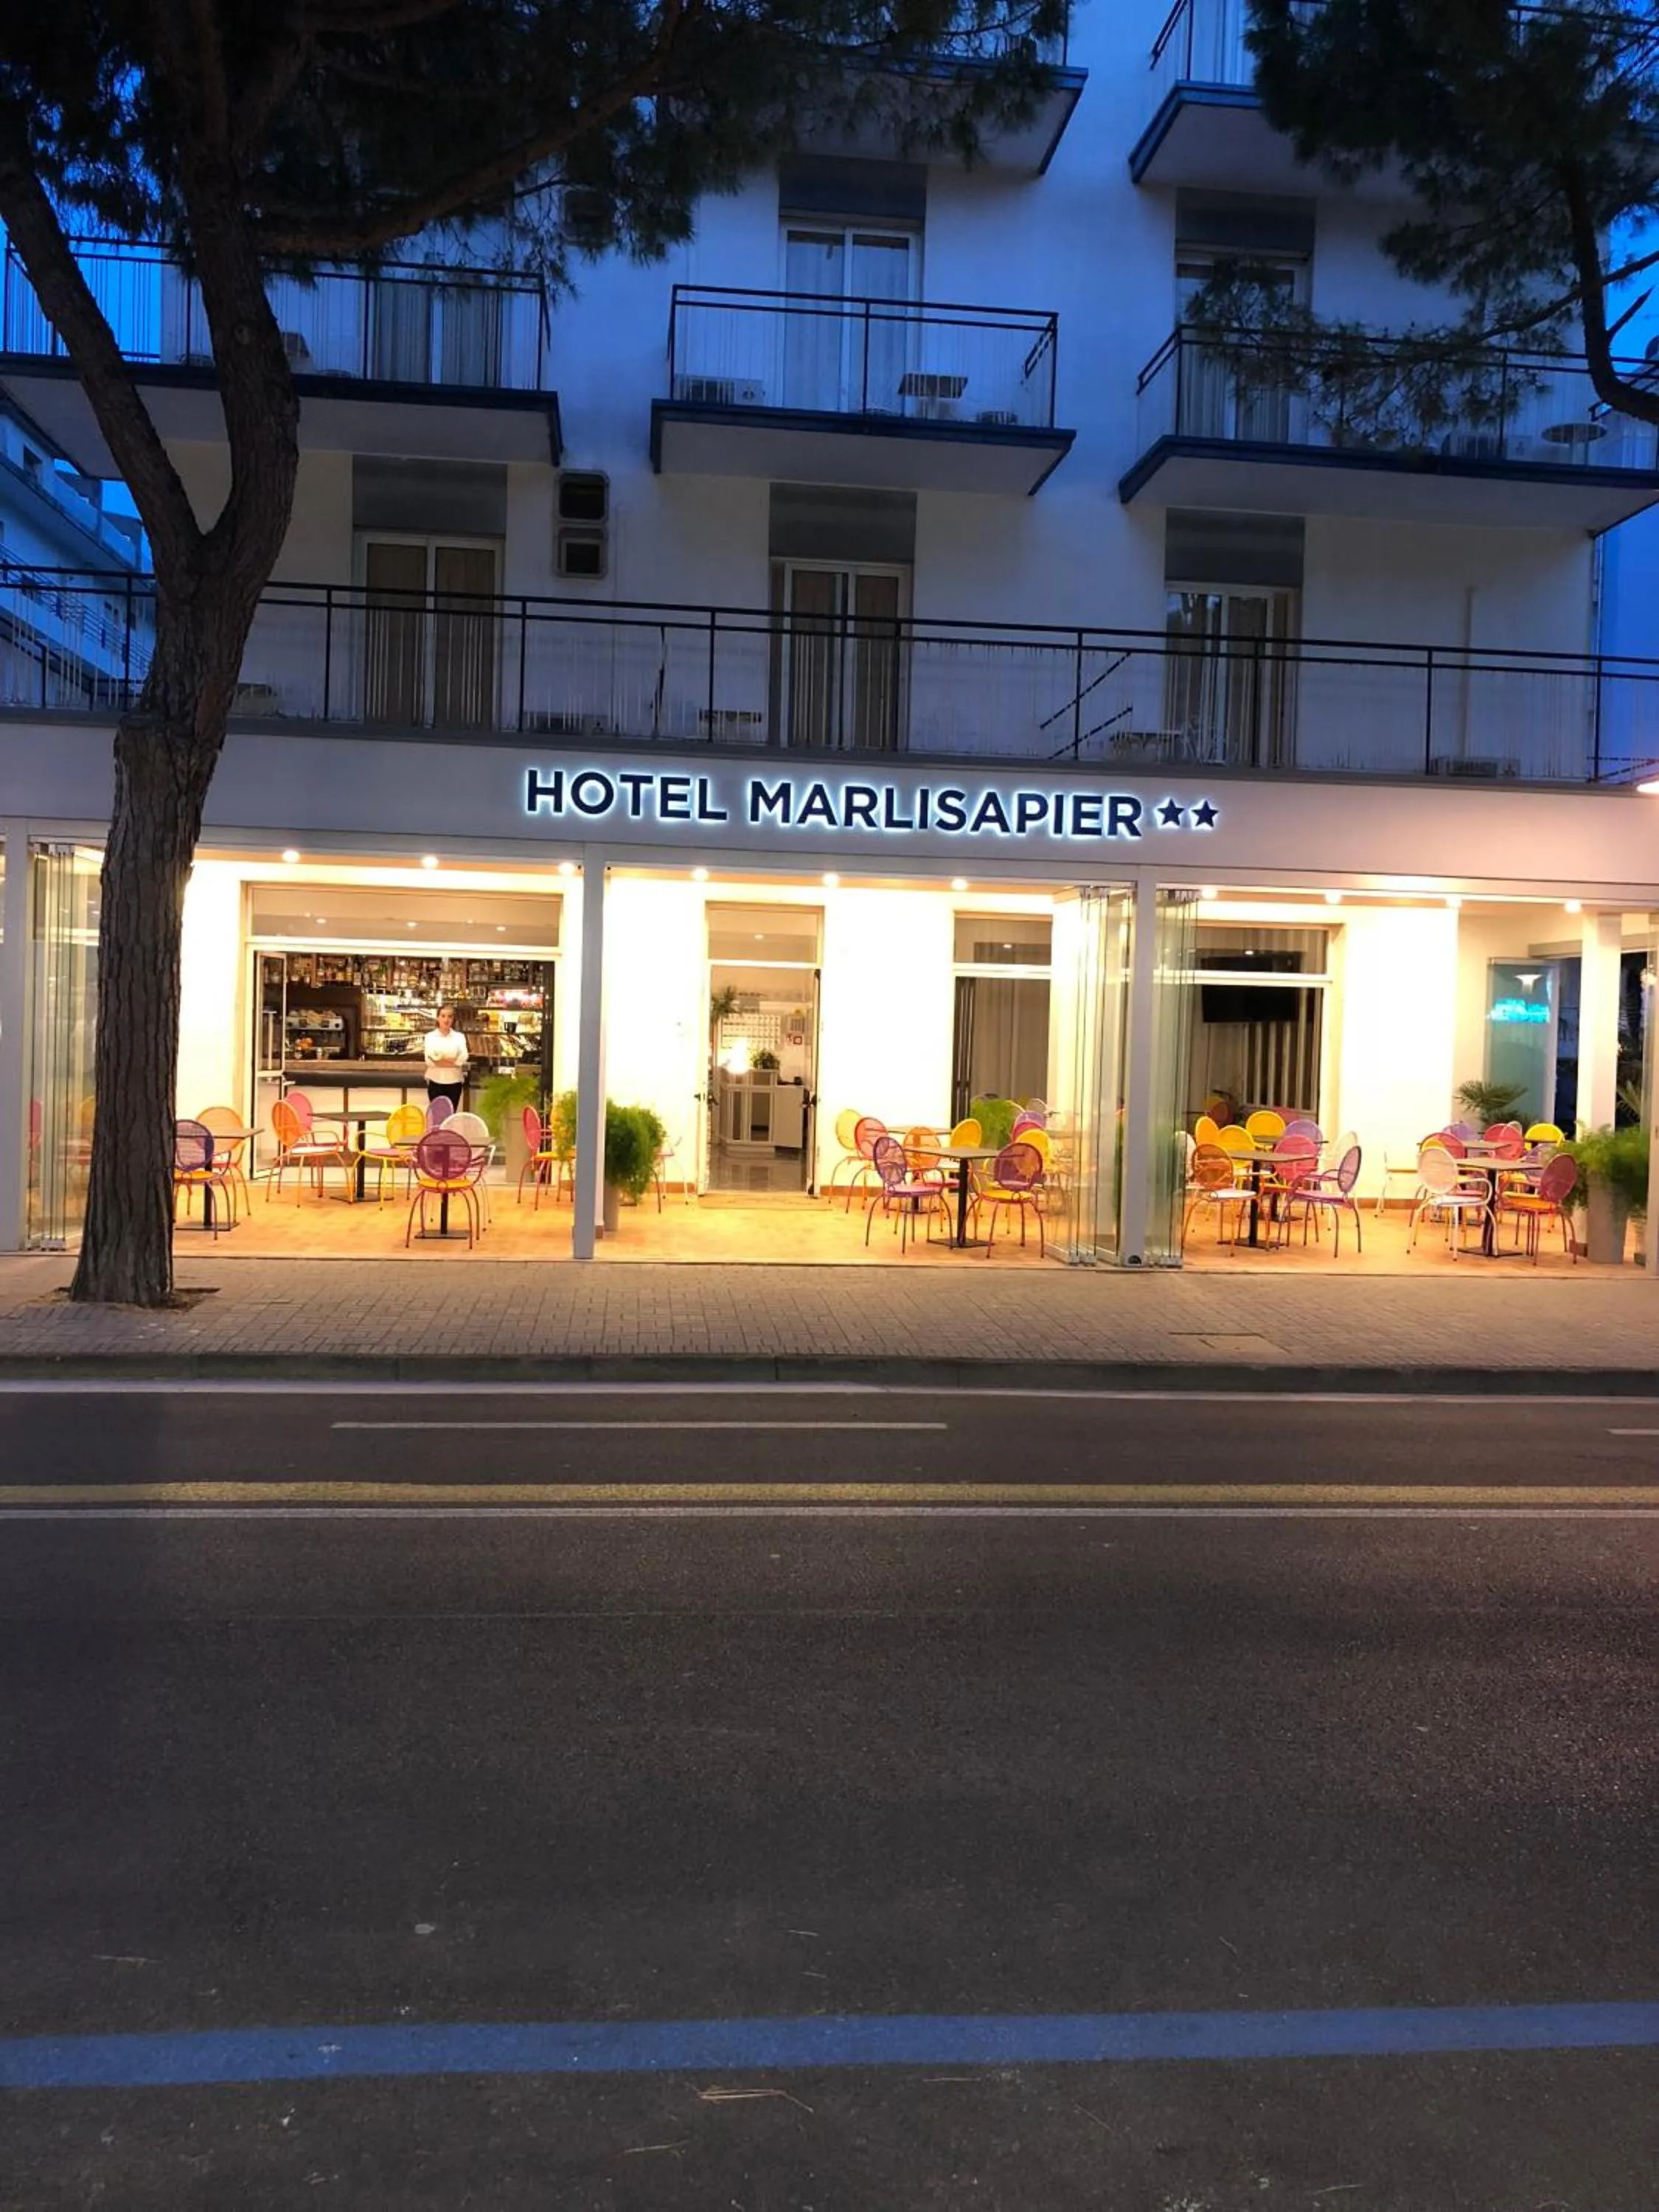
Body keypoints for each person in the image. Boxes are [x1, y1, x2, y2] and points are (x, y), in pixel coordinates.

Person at [422, 1004, 469, 1109]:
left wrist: (441, 1060)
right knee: (437, 1116)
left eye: (450, 1016)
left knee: (451, 1117)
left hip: (455, 1082)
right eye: (443, 1016)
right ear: (438, 1018)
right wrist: (453, 1061)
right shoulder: (430, 1037)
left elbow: (463, 1059)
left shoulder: (459, 1037)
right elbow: (430, 1061)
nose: (446, 1020)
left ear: (453, 1019)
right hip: (435, 1082)